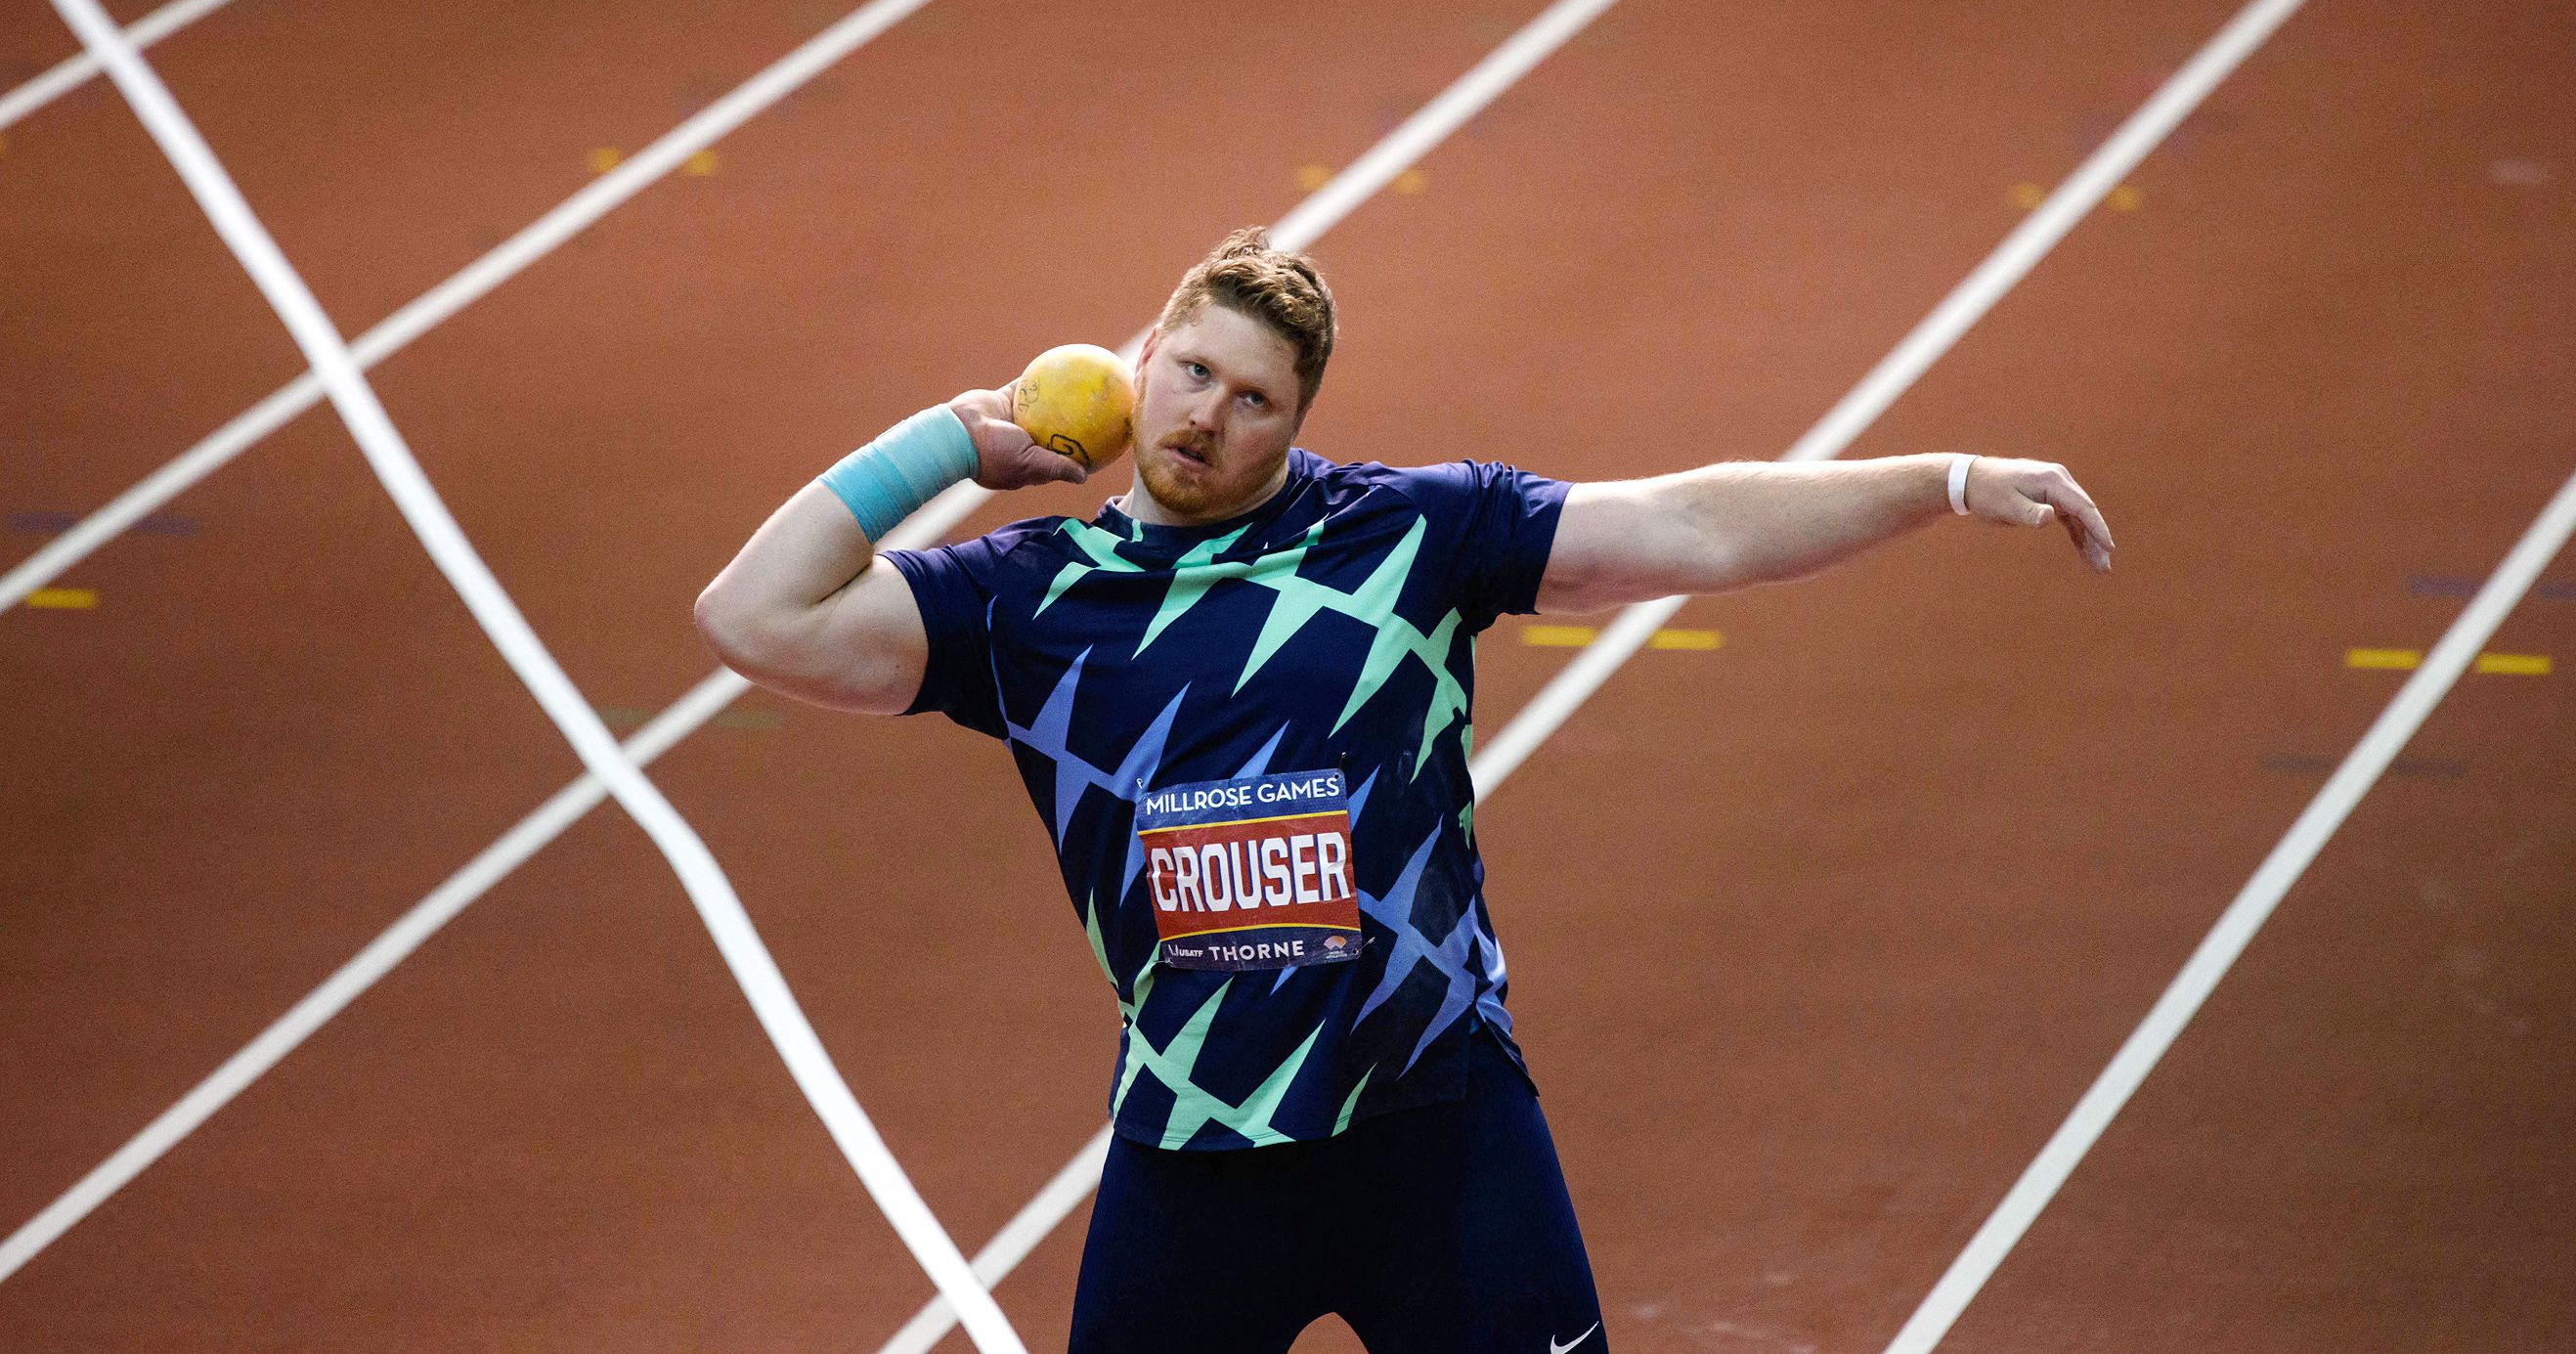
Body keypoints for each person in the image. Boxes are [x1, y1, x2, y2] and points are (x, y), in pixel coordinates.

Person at [696, 229, 2113, 1353]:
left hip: (1431, 1128)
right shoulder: (1029, 601)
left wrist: (1947, 478)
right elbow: (752, 616)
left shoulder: (1408, 537)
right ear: (1139, 364)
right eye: (1189, 372)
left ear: (1297, 422)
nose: (1206, 418)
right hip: (1199, 1144)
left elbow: (1688, 519)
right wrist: (951, 440)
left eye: (1254, 399)